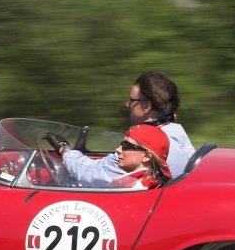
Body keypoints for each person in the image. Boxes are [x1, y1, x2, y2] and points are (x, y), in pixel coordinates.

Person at [52, 71, 194, 187]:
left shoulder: (140, 146)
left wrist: (66, 152)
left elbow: (94, 174)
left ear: (146, 106)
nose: (127, 104)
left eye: (132, 100)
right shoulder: (178, 134)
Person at [112, 124, 172, 189]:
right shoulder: (154, 182)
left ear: (147, 156)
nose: (118, 150)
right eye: (121, 144)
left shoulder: (137, 188)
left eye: (126, 145)